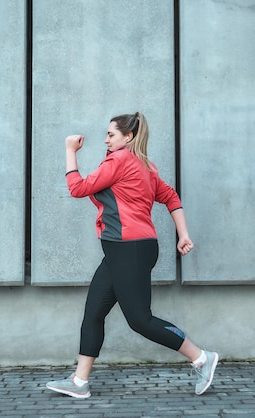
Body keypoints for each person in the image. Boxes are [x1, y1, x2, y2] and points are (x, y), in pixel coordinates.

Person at [46, 112, 218, 399]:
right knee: (94, 313)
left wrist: (69, 151)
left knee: (140, 320)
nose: (106, 139)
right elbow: (171, 197)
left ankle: (202, 358)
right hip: (122, 249)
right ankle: (79, 382)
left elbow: (77, 188)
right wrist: (183, 234)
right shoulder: (146, 165)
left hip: (130, 249)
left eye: (111, 135)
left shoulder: (120, 161)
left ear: (129, 137)